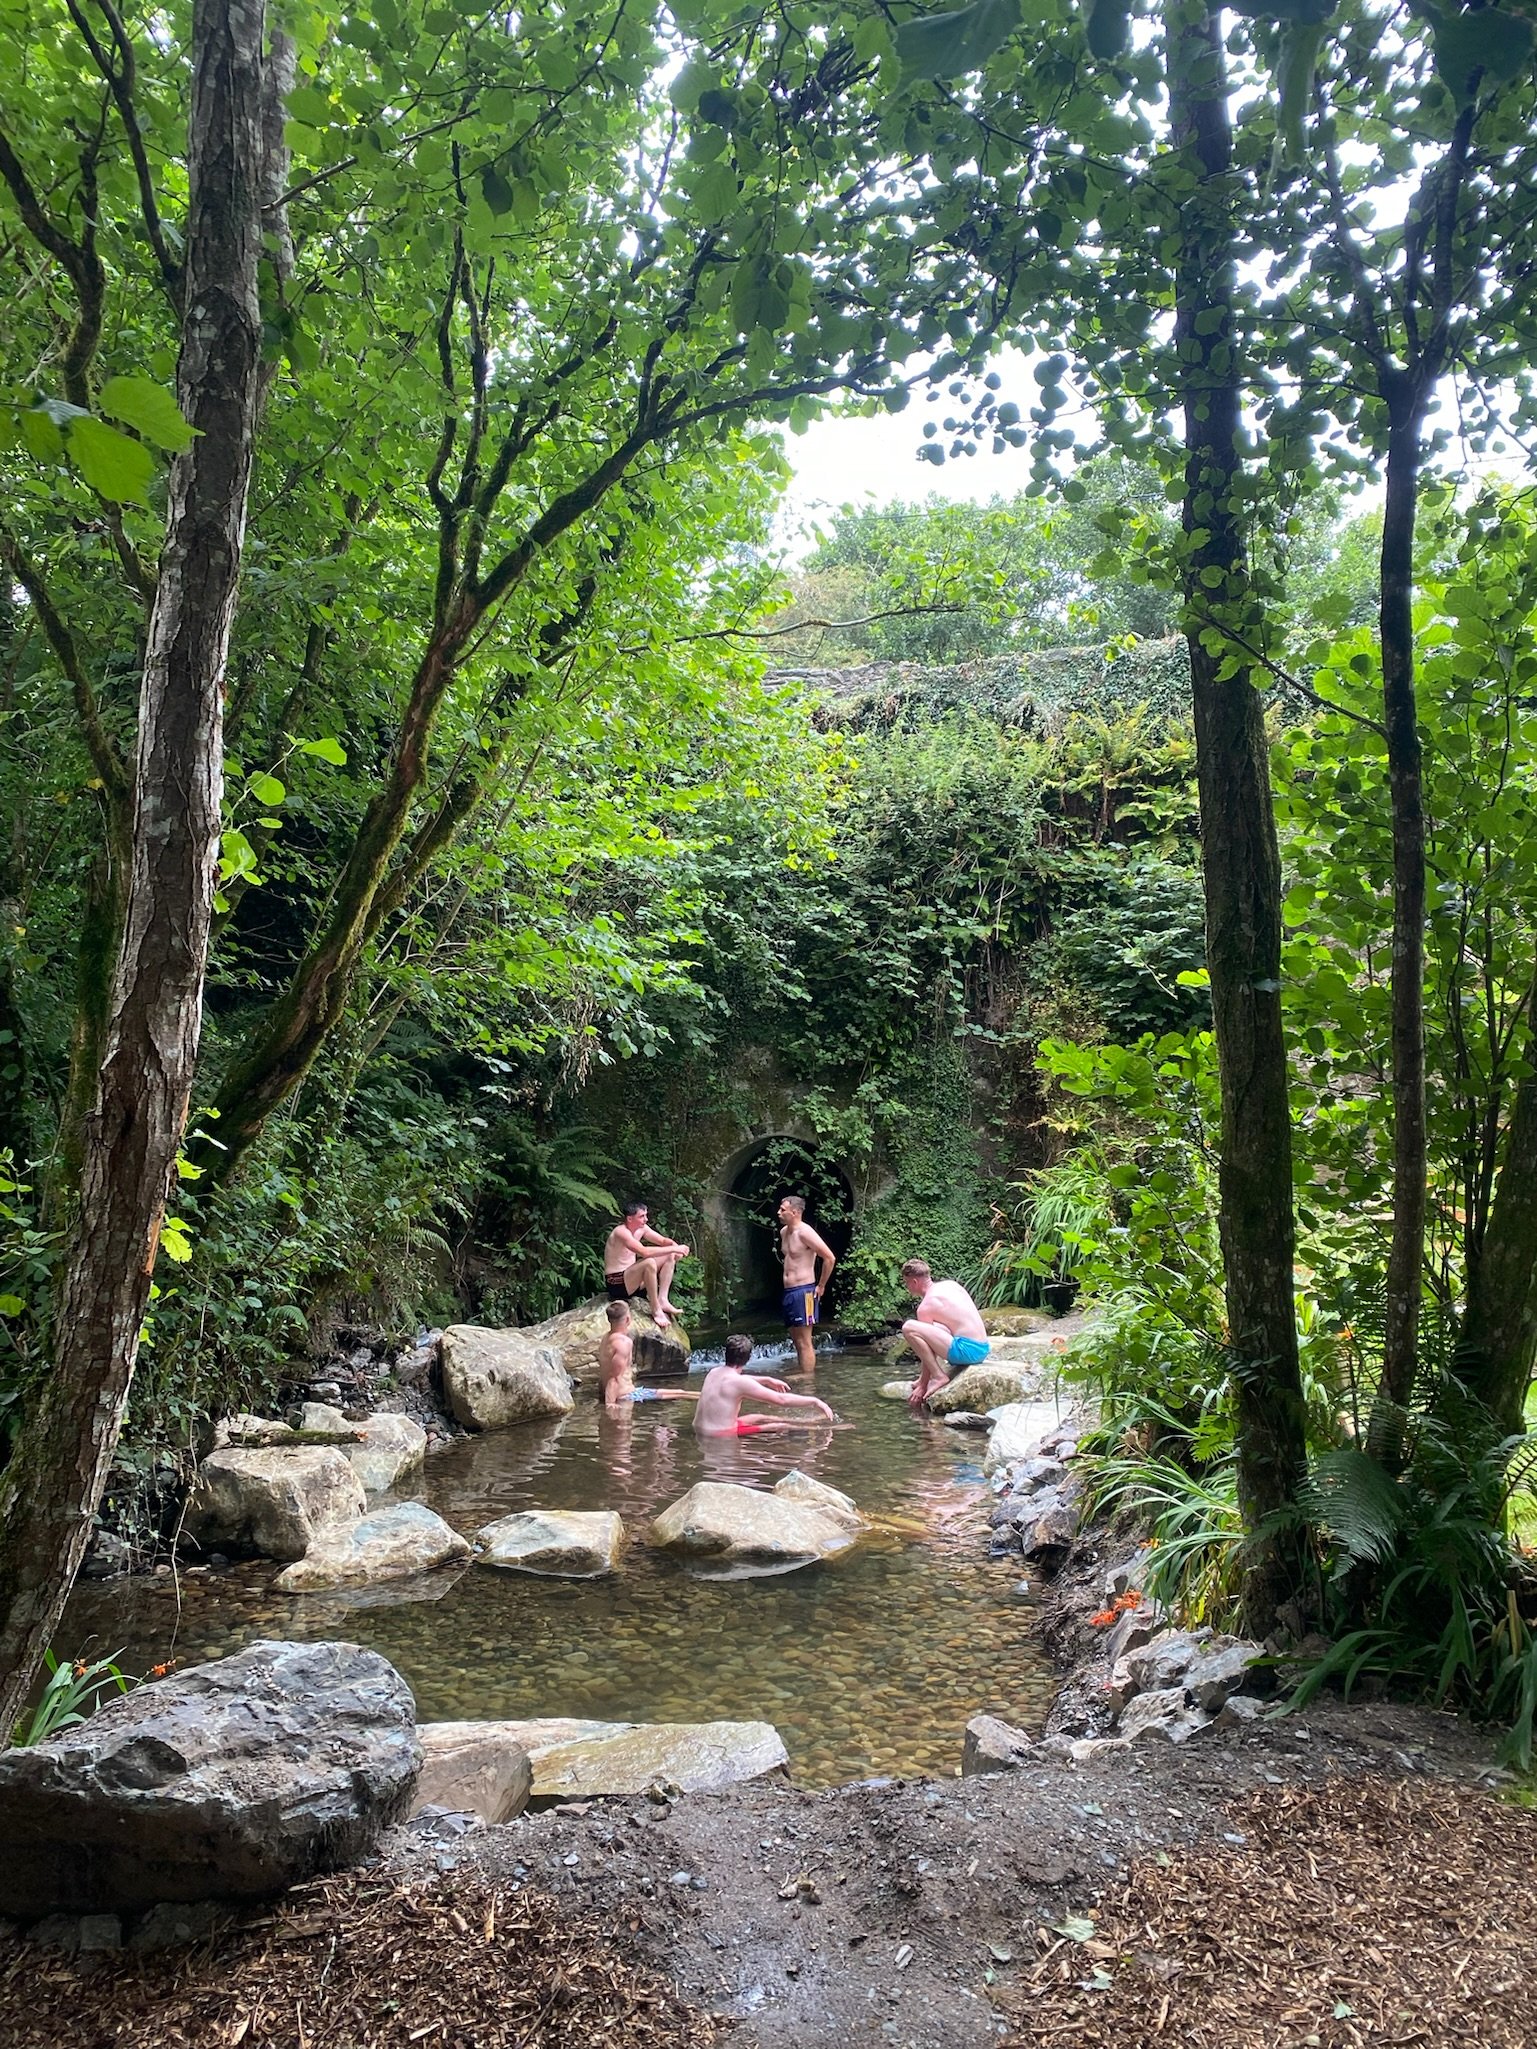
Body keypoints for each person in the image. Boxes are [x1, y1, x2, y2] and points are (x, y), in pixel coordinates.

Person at [694, 1333, 838, 1437]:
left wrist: (767, 1379)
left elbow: (736, 1380)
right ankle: (831, 1429)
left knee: (758, 1416)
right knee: (779, 1426)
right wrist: (815, 1401)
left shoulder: (714, 1372)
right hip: (719, 1434)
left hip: (700, 1429)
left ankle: (810, 1420)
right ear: (748, 1359)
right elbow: (782, 1400)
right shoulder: (739, 1382)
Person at [898, 1257, 990, 1409]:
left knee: (909, 1327)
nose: (907, 1287)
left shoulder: (925, 1307)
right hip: (983, 1348)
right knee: (938, 1327)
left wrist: (923, 1385)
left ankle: (939, 1377)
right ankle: (927, 1378)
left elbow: (926, 1346)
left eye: (906, 1283)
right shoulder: (950, 1285)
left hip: (967, 1351)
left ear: (914, 1282)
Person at [596, 1300, 699, 1412]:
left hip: (618, 1393)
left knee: (680, 1393)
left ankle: (707, 1395)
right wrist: (610, 1404)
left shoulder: (606, 1338)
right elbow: (614, 1377)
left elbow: (606, 1374)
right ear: (627, 1319)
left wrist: (603, 1396)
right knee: (681, 1394)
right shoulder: (623, 1343)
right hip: (626, 1396)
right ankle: (713, 1397)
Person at [603, 1200, 691, 1329]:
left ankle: (662, 1300)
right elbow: (644, 1252)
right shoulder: (621, 1232)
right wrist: (675, 1249)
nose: (646, 1219)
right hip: (617, 1283)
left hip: (633, 1282)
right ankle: (656, 1310)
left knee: (670, 1255)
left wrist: (675, 1246)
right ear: (630, 1219)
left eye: (646, 1215)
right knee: (649, 1262)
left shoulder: (642, 1228)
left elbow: (662, 1240)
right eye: (641, 1216)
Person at [778, 1192, 836, 1372]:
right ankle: (803, 1372)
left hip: (804, 1291)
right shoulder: (784, 1232)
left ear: (795, 1212)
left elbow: (829, 1258)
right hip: (789, 1291)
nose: (778, 1213)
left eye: (783, 1210)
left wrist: (821, 1285)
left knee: (805, 1340)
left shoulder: (805, 1233)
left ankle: (808, 1379)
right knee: (796, 1339)